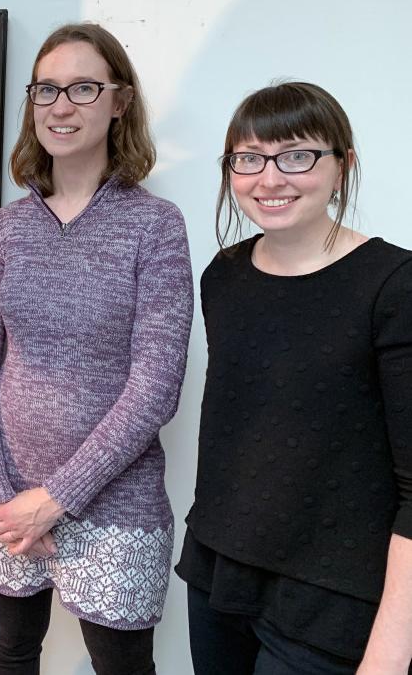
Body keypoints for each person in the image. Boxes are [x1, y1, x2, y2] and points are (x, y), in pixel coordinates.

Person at [0, 22, 193, 675]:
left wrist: (55, 499)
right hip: (5, 498)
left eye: (84, 88)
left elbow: (156, 386)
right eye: (47, 90)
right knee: (7, 654)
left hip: (115, 503)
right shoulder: (7, 228)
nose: (62, 106)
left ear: (119, 102)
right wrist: (0, 491)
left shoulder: (155, 227)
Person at [176, 81, 412, 675]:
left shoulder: (395, 285)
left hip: (336, 598)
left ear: (343, 166)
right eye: (249, 159)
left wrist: (391, 651)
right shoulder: (224, 276)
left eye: (297, 155)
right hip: (217, 576)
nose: (270, 178)